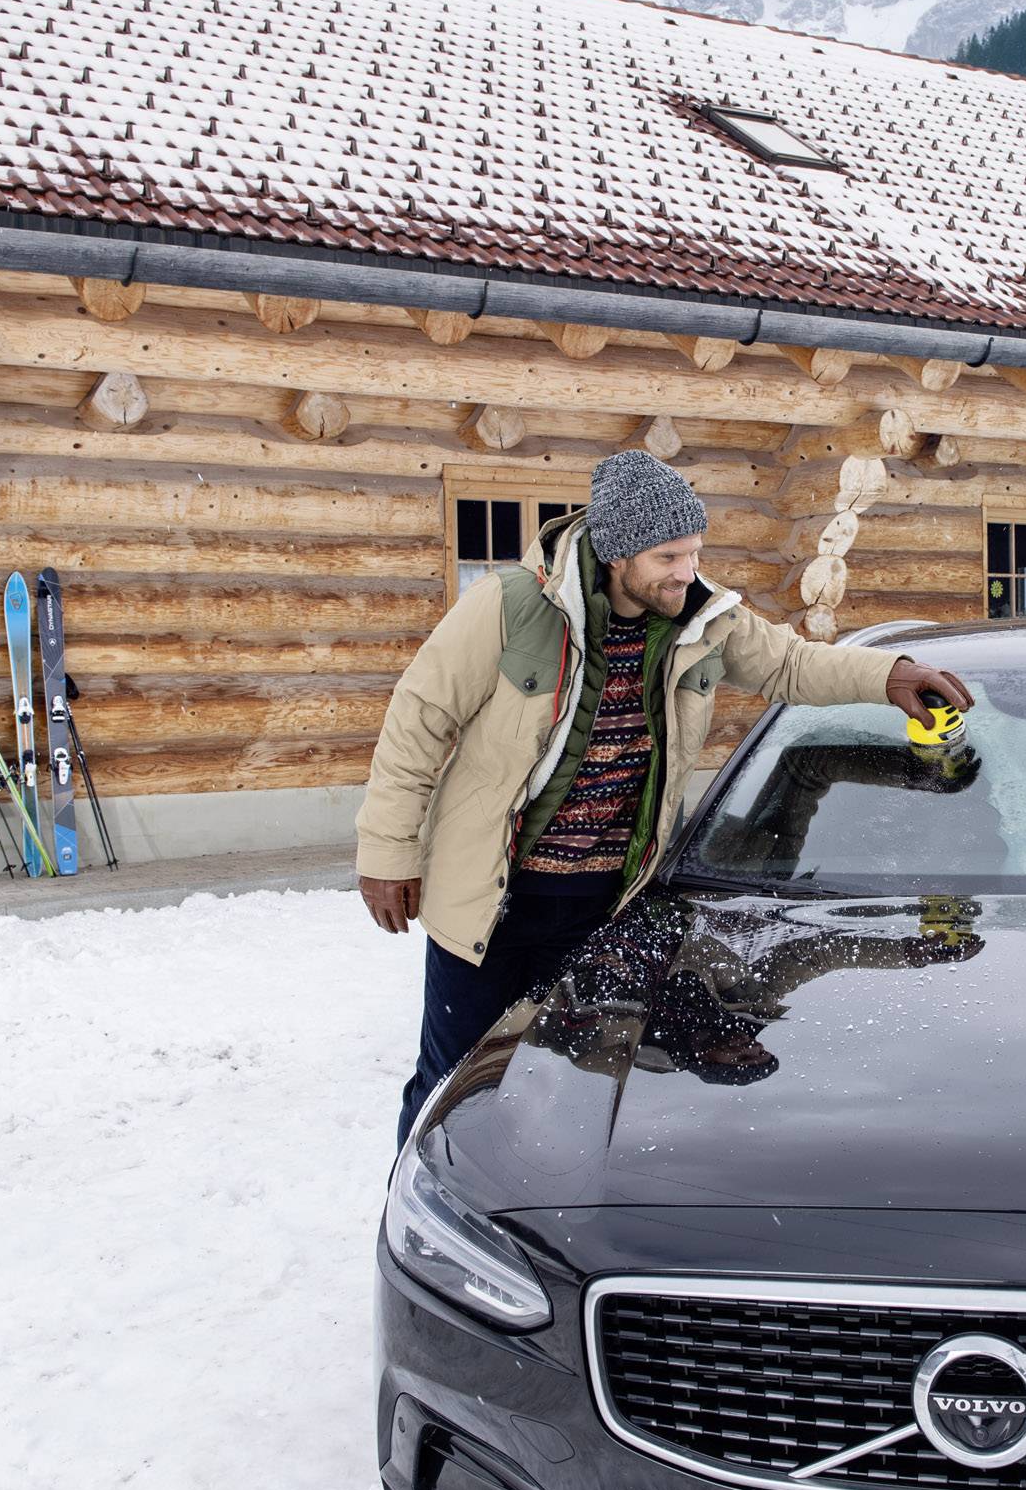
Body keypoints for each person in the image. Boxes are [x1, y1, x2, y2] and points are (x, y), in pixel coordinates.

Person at [356, 449, 972, 1143]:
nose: (687, 572)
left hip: (609, 902)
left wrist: (890, 674)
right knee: (458, 1077)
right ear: (619, 556)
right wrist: (388, 854)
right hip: (492, 899)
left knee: (576, 1080)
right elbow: (417, 723)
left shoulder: (700, 617)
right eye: (669, 558)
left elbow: (790, 664)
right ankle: (423, 1218)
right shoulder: (510, 607)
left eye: (694, 553)